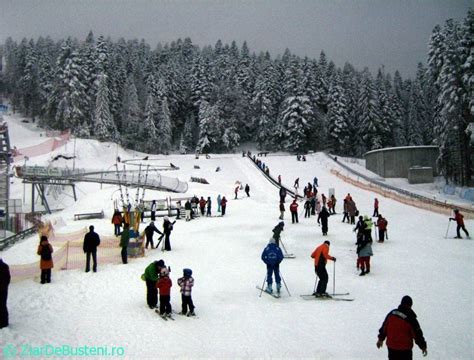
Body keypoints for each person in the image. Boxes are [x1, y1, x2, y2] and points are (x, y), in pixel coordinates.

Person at [0, 258, 10, 329]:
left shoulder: (4, 266)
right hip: (3, 289)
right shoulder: (4, 266)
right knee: (2, 306)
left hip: (2, 290)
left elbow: (7, 279)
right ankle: (4, 322)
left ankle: (4, 323)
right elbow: (8, 278)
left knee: (2, 306)